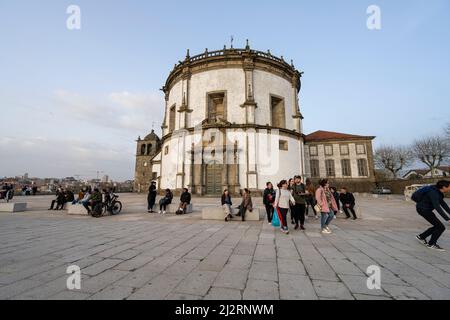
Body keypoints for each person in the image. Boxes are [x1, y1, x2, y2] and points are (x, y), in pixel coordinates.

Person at [414, 180, 450, 251]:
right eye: (449, 187)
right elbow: (437, 207)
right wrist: (447, 219)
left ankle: (421, 237)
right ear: (444, 187)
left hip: (425, 209)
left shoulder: (439, 192)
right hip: (423, 210)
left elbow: (443, 204)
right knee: (441, 227)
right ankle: (431, 244)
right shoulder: (433, 193)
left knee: (438, 226)